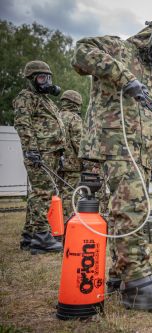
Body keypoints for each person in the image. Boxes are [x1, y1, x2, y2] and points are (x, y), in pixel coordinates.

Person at [71, 13, 152, 311]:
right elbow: (81, 51)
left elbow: (143, 115)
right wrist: (126, 78)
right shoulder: (119, 49)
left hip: (138, 154)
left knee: (125, 214)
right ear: (151, 35)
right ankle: (137, 285)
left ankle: (120, 275)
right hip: (115, 148)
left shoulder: (148, 72)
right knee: (131, 211)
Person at [13, 60, 65, 254]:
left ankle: (29, 237)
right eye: (41, 78)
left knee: (42, 193)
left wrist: (60, 151)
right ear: (31, 79)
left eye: (48, 77)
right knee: (42, 194)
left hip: (50, 153)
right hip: (39, 153)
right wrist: (31, 150)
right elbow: (23, 124)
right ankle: (42, 237)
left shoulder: (47, 100)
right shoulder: (26, 97)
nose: (46, 82)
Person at [58, 90, 84, 221]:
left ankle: (54, 225)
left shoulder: (55, 115)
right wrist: (87, 161)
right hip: (72, 165)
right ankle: (67, 224)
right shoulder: (74, 118)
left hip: (56, 164)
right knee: (70, 195)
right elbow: (79, 143)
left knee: (56, 194)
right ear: (76, 104)